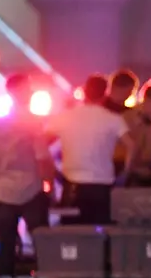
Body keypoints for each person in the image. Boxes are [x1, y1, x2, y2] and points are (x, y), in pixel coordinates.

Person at [0, 74, 54, 276]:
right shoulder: (33, 125)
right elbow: (43, 160)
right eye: (28, 88)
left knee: (5, 246)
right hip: (31, 190)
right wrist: (49, 187)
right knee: (42, 244)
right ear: (21, 91)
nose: (31, 92)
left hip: (4, 192)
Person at [48, 74, 135, 224]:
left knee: (72, 236)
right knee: (100, 233)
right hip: (103, 185)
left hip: (72, 184)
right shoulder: (113, 119)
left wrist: (54, 172)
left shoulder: (65, 117)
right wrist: (125, 174)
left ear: (84, 91)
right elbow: (132, 146)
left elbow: (43, 144)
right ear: (105, 93)